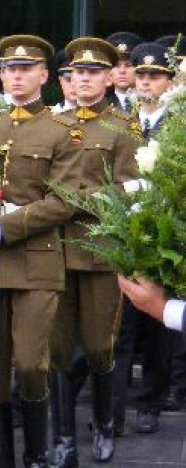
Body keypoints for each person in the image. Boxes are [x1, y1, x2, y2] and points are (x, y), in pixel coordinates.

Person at [0, 34, 83, 468]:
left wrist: (7, 225)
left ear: (44, 75)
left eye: (25, 69)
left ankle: (38, 452)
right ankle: (4, 459)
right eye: (8, 69)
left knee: (30, 364)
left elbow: (67, 199)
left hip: (37, 260)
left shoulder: (63, 131)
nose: (15, 76)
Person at [48, 37, 140, 465]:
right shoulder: (52, 124)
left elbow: (129, 188)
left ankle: (105, 423)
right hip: (54, 250)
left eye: (91, 73)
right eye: (76, 73)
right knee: (59, 348)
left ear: (107, 77)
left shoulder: (123, 127)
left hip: (100, 249)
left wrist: (77, 199)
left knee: (101, 345)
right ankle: (63, 434)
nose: (82, 80)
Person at [112, 41, 179, 436]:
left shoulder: (179, 121)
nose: (146, 82)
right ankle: (113, 409)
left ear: (169, 81)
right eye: (141, 75)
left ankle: (151, 402)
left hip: (163, 230)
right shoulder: (121, 120)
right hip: (124, 229)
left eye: (154, 75)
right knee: (120, 326)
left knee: (158, 325)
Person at [105, 32, 142, 113]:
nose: (122, 71)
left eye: (128, 65)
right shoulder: (100, 104)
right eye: (116, 66)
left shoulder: (150, 102)